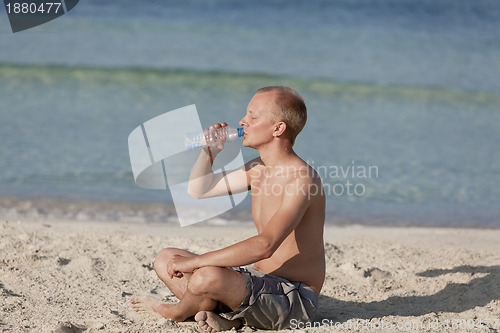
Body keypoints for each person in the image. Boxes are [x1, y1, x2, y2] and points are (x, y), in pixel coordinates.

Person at [131, 86, 326, 332]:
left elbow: (265, 246)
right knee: (165, 258)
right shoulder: (258, 169)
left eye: (253, 117)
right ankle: (229, 317)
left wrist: (197, 263)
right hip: (257, 285)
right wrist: (209, 153)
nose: (243, 121)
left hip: (294, 299)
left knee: (205, 275)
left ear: (278, 128)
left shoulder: (302, 179)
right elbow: (199, 189)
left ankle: (174, 311)